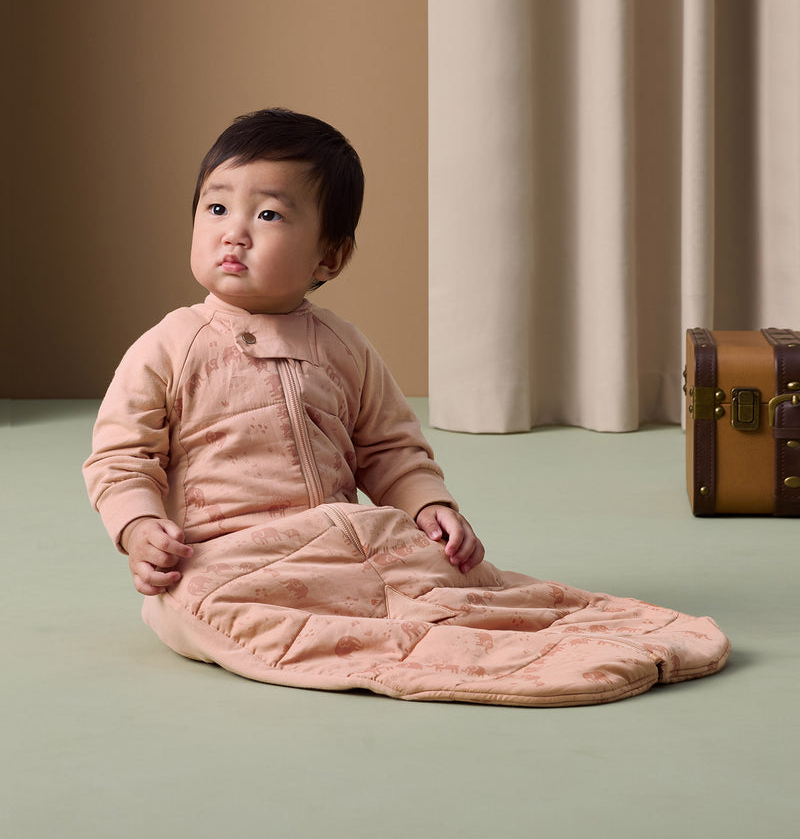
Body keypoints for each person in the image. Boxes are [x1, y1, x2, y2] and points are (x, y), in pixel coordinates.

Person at [83, 108, 729, 706]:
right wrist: (140, 529)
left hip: (343, 541)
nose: (235, 233)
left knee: (420, 569)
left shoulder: (342, 349)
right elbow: (120, 457)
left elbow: (390, 447)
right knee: (193, 601)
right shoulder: (168, 347)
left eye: (269, 216)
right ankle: (428, 651)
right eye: (216, 207)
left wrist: (429, 507)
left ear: (329, 256)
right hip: (225, 554)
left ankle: (528, 630)